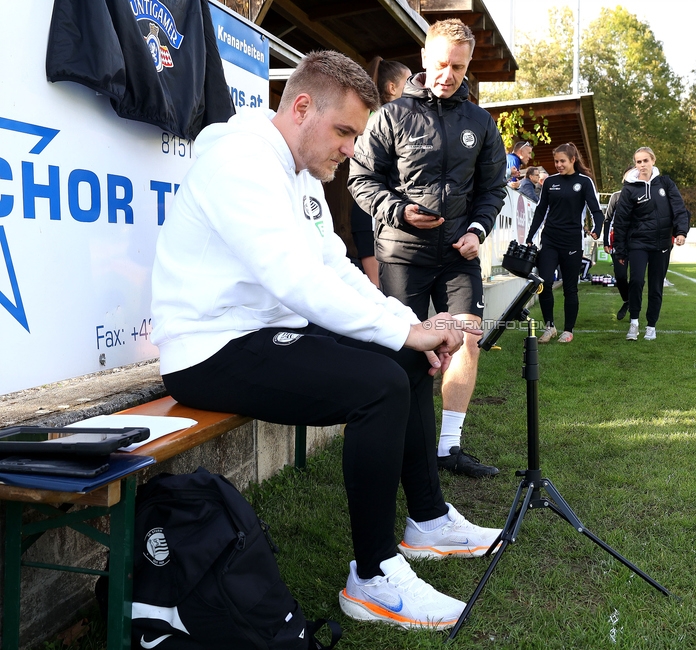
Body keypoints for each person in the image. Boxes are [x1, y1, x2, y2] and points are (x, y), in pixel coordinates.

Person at [150, 50, 501, 631]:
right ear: (302, 107)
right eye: (344, 131)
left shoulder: (297, 173)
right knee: (380, 385)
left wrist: (408, 329)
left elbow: (334, 267)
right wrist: (406, 328)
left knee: (405, 363)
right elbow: (294, 277)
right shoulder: (239, 159)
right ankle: (374, 576)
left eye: (356, 135)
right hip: (206, 350)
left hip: (262, 332)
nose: (350, 147)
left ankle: (428, 520)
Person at [349, 19, 507, 478]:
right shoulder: (390, 116)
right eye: (441, 64)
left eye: (458, 66)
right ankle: (400, 442)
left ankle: (447, 447)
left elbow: (493, 187)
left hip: (459, 256)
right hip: (402, 254)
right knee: (404, 350)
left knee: (467, 339)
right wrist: (399, 212)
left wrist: (477, 229)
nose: (448, 74)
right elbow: (361, 181)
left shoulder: (480, 122)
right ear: (424, 58)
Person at [525, 142, 604, 344]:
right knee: (544, 283)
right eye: (556, 161)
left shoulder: (584, 182)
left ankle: (568, 330)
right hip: (550, 239)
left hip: (572, 241)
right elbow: (541, 211)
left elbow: (595, 210)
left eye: (562, 161)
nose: (558, 164)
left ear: (572, 160)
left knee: (570, 287)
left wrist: (597, 229)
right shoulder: (550, 182)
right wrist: (530, 236)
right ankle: (549, 327)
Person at [612, 147, 690, 341]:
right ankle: (634, 323)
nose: (642, 165)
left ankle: (651, 326)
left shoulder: (666, 183)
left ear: (653, 160)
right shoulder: (629, 189)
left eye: (645, 160)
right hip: (638, 243)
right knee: (636, 281)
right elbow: (621, 221)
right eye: (638, 162)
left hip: (662, 243)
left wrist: (681, 231)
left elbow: (679, 208)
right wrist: (620, 250)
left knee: (656, 286)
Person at [348, 58, 413, 286]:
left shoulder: (391, 116)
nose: (414, 87)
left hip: (374, 215)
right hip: (368, 214)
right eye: (408, 82)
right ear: (392, 88)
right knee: (378, 291)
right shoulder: (382, 118)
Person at [602, 166, 634, 320]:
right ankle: (627, 301)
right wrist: (606, 242)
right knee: (620, 276)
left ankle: (635, 309)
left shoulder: (643, 196)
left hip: (637, 242)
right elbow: (607, 219)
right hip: (618, 243)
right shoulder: (616, 196)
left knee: (636, 278)